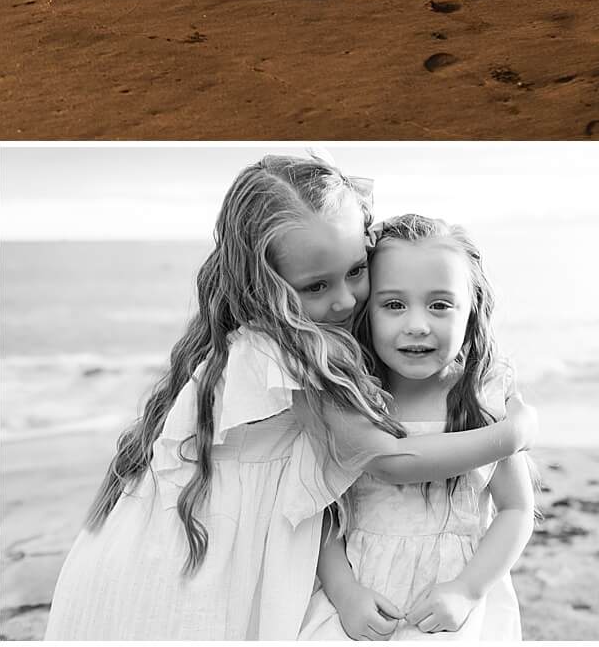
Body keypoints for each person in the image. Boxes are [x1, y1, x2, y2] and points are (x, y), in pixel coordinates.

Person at [43, 156, 539, 641]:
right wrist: (512, 435)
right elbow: (381, 464)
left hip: (240, 543)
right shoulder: (284, 353)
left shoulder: (340, 355)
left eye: (355, 271)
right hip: (191, 556)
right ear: (265, 284)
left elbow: (320, 494)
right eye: (317, 285)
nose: (346, 300)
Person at [300, 216, 533, 642]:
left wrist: (467, 590)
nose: (417, 324)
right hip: (361, 599)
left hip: (455, 600)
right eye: (394, 305)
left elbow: (516, 509)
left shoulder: (484, 394)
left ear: (473, 308)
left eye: (440, 305)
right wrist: (345, 591)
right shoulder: (352, 396)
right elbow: (320, 511)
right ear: (365, 312)